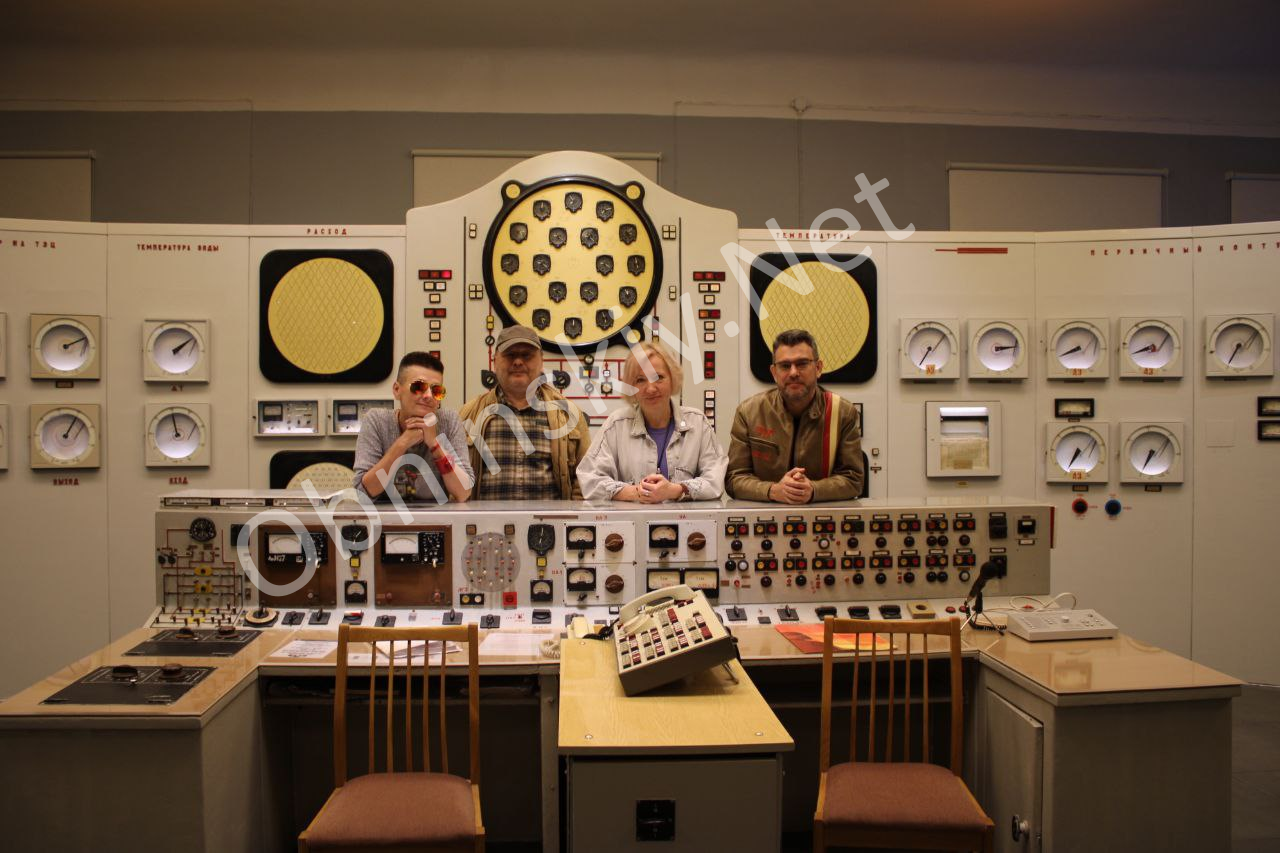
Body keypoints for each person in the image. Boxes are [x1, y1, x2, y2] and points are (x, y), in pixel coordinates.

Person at [577, 340, 727, 502]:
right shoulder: (616, 425)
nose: (650, 388)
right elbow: (589, 480)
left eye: (658, 377)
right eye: (640, 380)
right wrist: (636, 492)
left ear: (673, 379)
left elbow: (715, 480)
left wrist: (675, 490)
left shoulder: (697, 423)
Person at [727, 329, 864, 503]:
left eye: (802, 364)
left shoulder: (843, 413)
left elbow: (854, 480)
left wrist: (813, 490)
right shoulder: (749, 412)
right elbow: (734, 479)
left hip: (819, 515)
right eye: (785, 366)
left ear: (818, 368)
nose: (793, 372)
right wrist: (773, 490)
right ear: (774, 373)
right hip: (767, 515)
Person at [457, 325, 592, 500]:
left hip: (549, 519)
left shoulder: (569, 415)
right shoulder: (468, 414)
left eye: (527, 355)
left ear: (541, 362)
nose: (518, 362)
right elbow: (454, 485)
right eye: (510, 355)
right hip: (488, 519)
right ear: (494, 361)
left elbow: (584, 480)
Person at [353, 351, 473, 502]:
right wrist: (403, 442)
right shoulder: (377, 421)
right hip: (387, 516)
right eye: (419, 387)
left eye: (436, 391)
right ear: (397, 390)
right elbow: (363, 493)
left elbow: (463, 493)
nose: (428, 396)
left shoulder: (449, 421)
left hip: (435, 516)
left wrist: (435, 445)